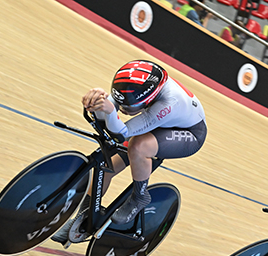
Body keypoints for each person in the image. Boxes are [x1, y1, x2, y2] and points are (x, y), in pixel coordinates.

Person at [52, 60, 207, 244]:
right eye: (122, 106)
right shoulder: (136, 83)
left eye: (129, 108)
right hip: (157, 121)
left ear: (148, 100)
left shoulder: (168, 103)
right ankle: (84, 218)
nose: (125, 110)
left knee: (139, 146)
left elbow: (122, 133)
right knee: (104, 164)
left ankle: (140, 196)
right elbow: (110, 113)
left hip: (188, 133)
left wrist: (110, 113)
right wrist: (97, 102)